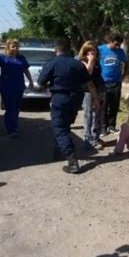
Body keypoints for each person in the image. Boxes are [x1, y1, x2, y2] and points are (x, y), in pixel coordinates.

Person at [38, 40, 100, 174]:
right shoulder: (77, 64)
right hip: (76, 100)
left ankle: (72, 161)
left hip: (60, 99)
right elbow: (90, 84)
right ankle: (59, 151)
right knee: (65, 126)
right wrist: (95, 100)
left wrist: (50, 86)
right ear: (69, 49)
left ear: (56, 50)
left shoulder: (52, 64)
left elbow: (41, 82)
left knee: (59, 128)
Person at [0, 39, 35, 138]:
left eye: (16, 47)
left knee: (16, 108)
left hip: (19, 86)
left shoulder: (21, 58)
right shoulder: (3, 58)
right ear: (8, 47)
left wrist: (30, 81)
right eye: (12, 47)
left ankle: (14, 126)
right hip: (6, 86)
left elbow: (26, 70)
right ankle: (11, 130)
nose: (15, 49)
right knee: (10, 108)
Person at [98, 32, 128, 135]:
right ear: (109, 41)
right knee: (104, 106)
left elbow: (126, 64)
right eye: (115, 44)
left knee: (114, 105)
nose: (117, 46)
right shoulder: (100, 50)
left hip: (116, 83)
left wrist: (123, 76)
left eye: (119, 45)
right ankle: (103, 127)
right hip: (103, 83)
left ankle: (111, 126)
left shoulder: (120, 52)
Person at [78, 40, 106, 150]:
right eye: (90, 51)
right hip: (88, 92)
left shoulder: (97, 62)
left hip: (99, 90)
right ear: (85, 52)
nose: (92, 53)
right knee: (89, 115)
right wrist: (90, 62)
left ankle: (95, 137)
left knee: (97, 115)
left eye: (94, 50)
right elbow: (87, 75)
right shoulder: (82, 62)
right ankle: (88, 139)